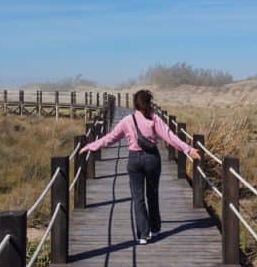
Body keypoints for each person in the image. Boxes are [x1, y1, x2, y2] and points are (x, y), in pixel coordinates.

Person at [79, 89, 199, 244]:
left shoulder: (127, 121)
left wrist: (92, 146)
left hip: (134, 160)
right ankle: (155, 229)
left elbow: (110, 138)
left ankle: (143, 234)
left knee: (138, 198)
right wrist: (188, 149)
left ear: (135, 104)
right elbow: (170, 136)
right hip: (152, 159)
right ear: (149, 103)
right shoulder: (154, 119)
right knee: (152, 195)